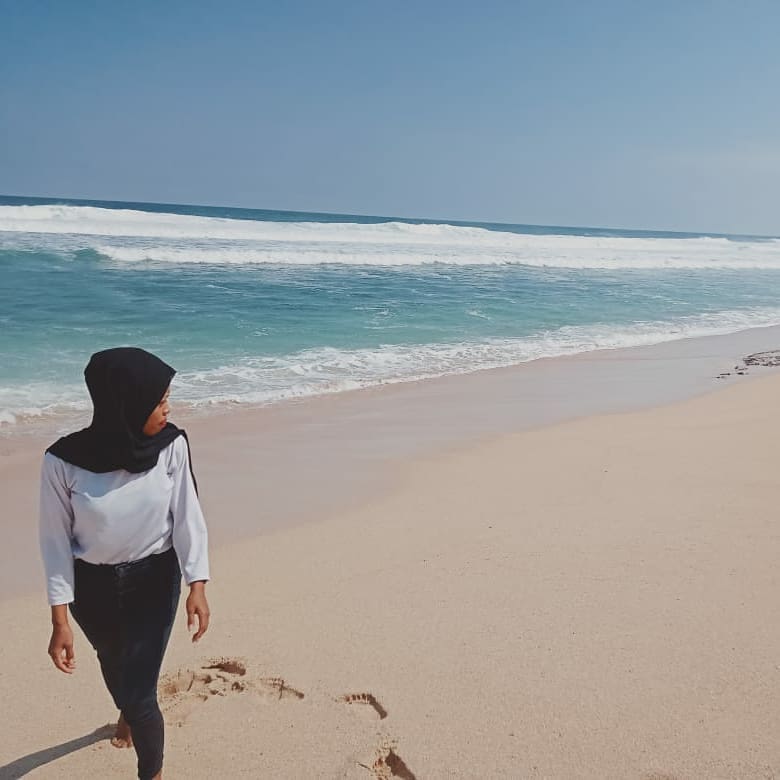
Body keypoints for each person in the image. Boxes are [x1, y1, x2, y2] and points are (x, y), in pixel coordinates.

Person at [39, 347, 210, 780]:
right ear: (124, 403)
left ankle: (150, 771)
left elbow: (188, 517)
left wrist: (198, 584)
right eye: (158, 399)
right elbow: (54, 541)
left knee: (141, 692)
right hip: (91, 589)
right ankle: (128, 709)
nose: (167, 407)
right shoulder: (62, 462)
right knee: (111, 661)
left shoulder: (171, 446)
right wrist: (59, 618)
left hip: (155, 580)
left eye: (167, 396)